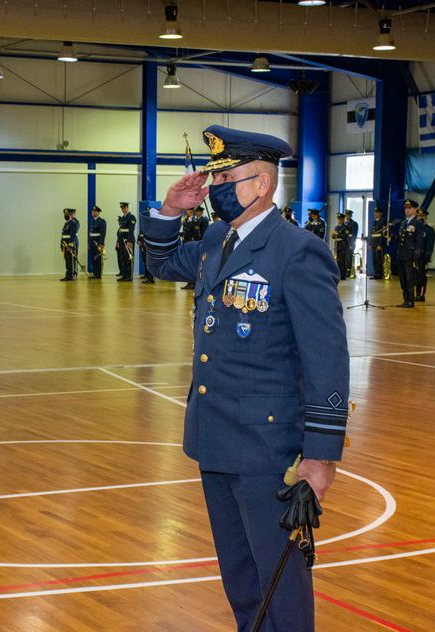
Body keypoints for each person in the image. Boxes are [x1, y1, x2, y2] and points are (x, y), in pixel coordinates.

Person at [141, 124, 349, 632]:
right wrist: (170, 210)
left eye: (225, 178)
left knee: (279, 581)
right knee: (240, 577)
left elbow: (326, 359)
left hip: (267, 449)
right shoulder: (217, 240)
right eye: (213, 179)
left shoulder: (297, 251)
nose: (215, 189)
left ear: (261, 183)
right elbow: (160, 262)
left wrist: (321, 457)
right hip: (214, 436)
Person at [394, 199, 424, 308]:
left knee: (409, 278)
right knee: (402, 278)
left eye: (409, 208)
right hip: (401, 254)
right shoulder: (403, 223)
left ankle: (411, 300)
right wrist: (393, 237)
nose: (407, 210)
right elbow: (401, 239)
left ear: (415, 209)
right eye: (406, 208)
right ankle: (405, 300)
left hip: (410, 255)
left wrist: (416, 254)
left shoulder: (417, 223)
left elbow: (419, 240)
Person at [414, 208, 435, 301]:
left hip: (423, 257)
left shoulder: (429, 230)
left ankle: (421, 294)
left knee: (421, 276)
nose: (420, 217)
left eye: (422, 216)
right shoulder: (414, 229)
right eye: (419, 216)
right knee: (414, 276)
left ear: (426, 217)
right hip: (414, 256)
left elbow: (430, 245)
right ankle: (416, 293)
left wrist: (427, 257)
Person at [116, 201, 136, 281]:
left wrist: (129, 241)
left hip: (128, 240)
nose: (123, 209)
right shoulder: (123, 218)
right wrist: (118, 241)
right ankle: (124, 275)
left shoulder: (131, 217)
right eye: (122, 208)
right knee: (123, 258)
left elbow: (131, 230)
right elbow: (120, 231)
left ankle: (129, 276)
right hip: (122, 240)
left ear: (127, 208)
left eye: (124, 208)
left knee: (128, 258)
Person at [60, 207, 80, 281]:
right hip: (65, 244)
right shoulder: (66, 223)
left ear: (71, 214)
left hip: (70, 244)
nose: (65, 215)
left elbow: (72, 235)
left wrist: (70, 245)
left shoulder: (73, 223)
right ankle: (68, 275)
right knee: (67, 261)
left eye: (67, 214)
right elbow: (63, 235)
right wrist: (61, 245)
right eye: (65, 214)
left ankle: (72, 275)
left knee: (71, 260)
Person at [368, 207, 388, 279]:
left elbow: (383, 234)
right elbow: (372, 233)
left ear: (380, 213)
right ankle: (376, 273)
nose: (375, 214)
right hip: (373, 243)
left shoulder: (383, 221)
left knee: (379, 259)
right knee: (374, 259)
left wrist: (380, 244)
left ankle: (380, 273)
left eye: (377, 212)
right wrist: (370, 243)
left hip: (378, 243)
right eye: (375, 212)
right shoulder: (374, 222)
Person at [88, 205, 107, 279]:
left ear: (98, 213)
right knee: (93, 258)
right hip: (92, 243)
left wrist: (101, 243)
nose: (93, 212)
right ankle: (94, 273)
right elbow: (90, 233)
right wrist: (89, 243)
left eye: (95, 211)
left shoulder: (101, 221)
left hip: (98, 242)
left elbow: (103, 233)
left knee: (98, 259)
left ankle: (98, 274)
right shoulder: (91, 221)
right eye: (92, 211)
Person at [332, 212, 350, 281]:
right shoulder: (337, 227)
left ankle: (343, 275)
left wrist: (337, 234)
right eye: (338, 219)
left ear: (343, 219)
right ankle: (339, 274)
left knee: (343, 260)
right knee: (338, 261)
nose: (339, 220)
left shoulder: (346, 227)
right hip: (337, 245)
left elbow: (345, 236)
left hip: (343, 245)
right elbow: (334, 236)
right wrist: (333, 235)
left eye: (340, 219)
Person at [345, 210, 359, 276]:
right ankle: (345, 270)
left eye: (348, 215)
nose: (347, 216)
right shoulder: (345, 223)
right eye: (346, 215)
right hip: (345, 243)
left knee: (349, 257)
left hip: (350, 243)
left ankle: (349, 270)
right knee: (345, 257)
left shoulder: (354, 224)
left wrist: (352, 244)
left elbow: (354, 235)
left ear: (350, 215)